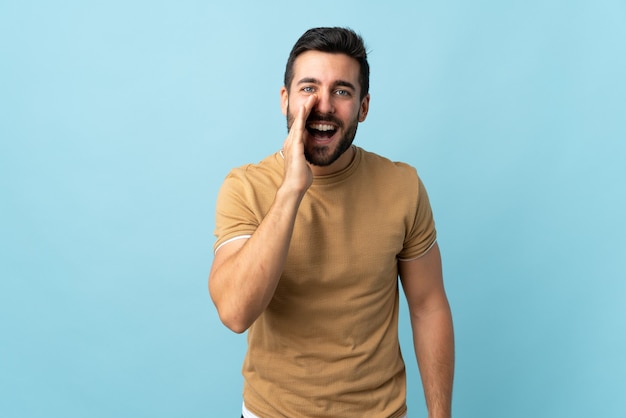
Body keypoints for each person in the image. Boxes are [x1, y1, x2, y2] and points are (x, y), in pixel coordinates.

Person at [209, 27, 454, 418]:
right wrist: (291, 190)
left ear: (363, 107)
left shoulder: (402, 186)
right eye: (308, 88)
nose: (323, 106)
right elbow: (236, 313)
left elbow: (428, 306)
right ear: (285, 99)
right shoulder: (245, 187)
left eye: (341, 91)